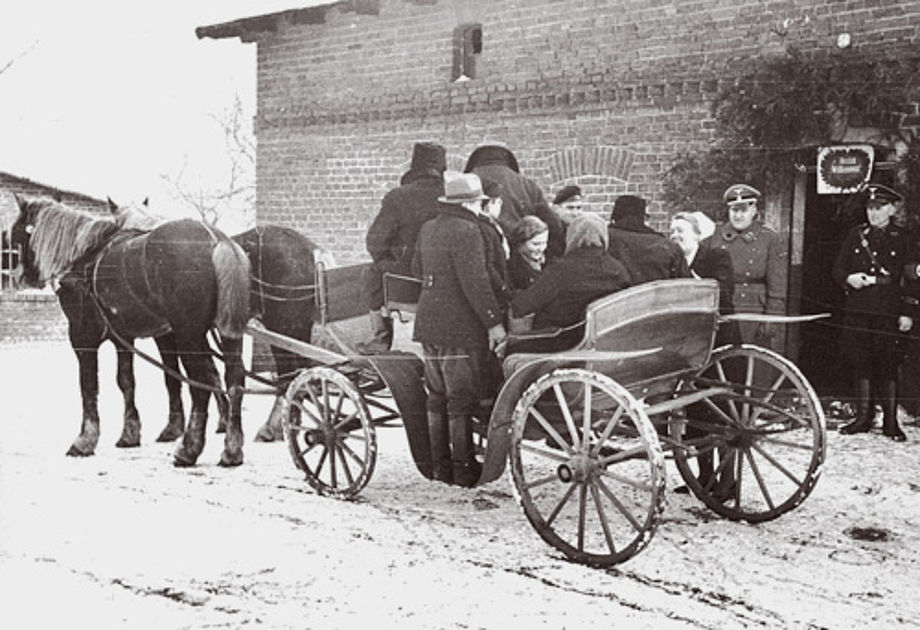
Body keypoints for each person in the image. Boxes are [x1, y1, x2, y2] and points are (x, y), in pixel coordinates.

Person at [412, 171, 507, 486]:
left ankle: (441, 467)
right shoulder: (468, 231)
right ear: (470, 203)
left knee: (436, 396)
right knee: (460, 399)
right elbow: (476, 283)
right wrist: (494, 323)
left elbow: (416, 269)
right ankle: (464, 468)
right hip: (459, 328)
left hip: (428, 324)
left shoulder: (428, 228)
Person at [832, 184, 915, 442]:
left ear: (892, 208)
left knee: (888, 363)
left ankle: (891, 421)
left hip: (889, 308)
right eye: (870, 208)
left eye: (879, 208)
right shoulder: (856, 235)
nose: (874, 213)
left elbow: (912, 278)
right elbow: (837, 269)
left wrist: (908, 312)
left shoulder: (905, 238)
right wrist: (849, 278)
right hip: (859, 307)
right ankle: (863, 417)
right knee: (861, 361)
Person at [358, 142, 446, 354]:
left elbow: (375, 242)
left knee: (371, 273)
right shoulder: (451, 195)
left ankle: (381, 337)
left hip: (406, 281)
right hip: (446, 278)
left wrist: (387, 263)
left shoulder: (398, 196)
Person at [509, 213, 632, 353]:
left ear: (571, 236)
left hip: (561, 342)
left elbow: (521, 306)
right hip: (602, 342)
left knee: (511, 347)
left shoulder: (561, 270)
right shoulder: (618, 269)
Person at [710, 184, 788, 351]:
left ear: (753, 210)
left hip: (753, 310)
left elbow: (777, 286)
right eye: (734, 210)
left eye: (743, 210)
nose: (738, 216)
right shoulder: (715, 237)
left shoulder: (769, 238)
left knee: (755, 367)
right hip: (722, 308)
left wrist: (771, 320)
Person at [464, 144, 565, 259]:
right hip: (518, 255)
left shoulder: (466, 183)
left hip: (476, 253)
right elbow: (553, 224)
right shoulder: (526, 184)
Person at [670, 211, 741, 347]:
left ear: (697, 235)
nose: (675, 236)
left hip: (717, 336)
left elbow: (725, 295)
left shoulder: (717, 257)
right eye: (672, 231)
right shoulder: (672, 262)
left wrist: (701, 286)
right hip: (687, 337)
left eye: (680, 231)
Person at [607, 194, 689, 283]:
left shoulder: (605, 241)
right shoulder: (667, 246)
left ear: (615, 216)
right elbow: (685, 287)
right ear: (642, 216)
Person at [507, 216, 549, 291]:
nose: (541, 248)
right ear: (521, 243)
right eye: (536, 244)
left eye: (544, 243)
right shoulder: (513, 268)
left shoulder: (547, 261)